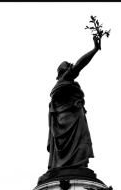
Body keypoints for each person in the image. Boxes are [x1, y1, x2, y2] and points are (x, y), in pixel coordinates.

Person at [47, 37, 101, 172]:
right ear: (62, 72)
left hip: (72, 120)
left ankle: (75, 167)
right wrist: (95, 49)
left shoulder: (62, 84)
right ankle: (75, 168)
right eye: (68, 65)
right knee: (83, 144)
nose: (71, 66)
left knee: (83, 145)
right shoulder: (64, 80)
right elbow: (80, 64)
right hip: (70, 120)